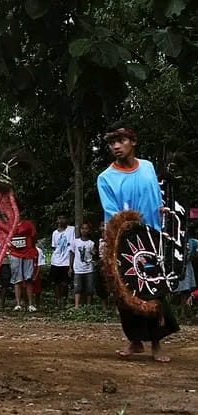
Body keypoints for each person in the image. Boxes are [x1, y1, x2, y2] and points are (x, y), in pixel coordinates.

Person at [97, 126, 179, 363]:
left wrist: (162, 209)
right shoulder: (105, 178)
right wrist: (126, 227)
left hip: (153, 237)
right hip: (123, 240)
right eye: (112, 143)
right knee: (126, 291)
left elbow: (156, 196)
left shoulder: (148, 167)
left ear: (133, 142)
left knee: (155, 288)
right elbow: (111, 211)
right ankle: (135, 341)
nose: (116, 147)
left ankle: (156, 343)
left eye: (121, 141)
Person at [9, 211, 38, 312]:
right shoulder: (9, 224)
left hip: (28, 253)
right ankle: (18, 304)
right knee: (17, 279)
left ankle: (30, 304)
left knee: (28, 278)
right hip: (15, 254)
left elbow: (34, 237)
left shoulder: (28, 224)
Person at [69, 222, 97, 308]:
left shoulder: (91, 243)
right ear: (80, 230)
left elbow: (94, 254)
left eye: (86, 228)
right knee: (77, 287)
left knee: (89, 288)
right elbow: (72, 254)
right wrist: (70, 267)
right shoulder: (75, 242)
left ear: (89, 230)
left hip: (89, 268)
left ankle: (88, 305)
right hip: (78, 268)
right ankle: (77, 305)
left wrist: (94, 254)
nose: (84, 230)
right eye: (82, 228)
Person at [50, 212, 75, 309]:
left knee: (65, 282)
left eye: (63, 218)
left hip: (66, 261)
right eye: (59, 218)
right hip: (56, 260)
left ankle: (64, 299)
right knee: (55, 282)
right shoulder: (55, 233)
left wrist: (71, 265)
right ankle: (58, 300)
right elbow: (54, 247)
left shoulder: (72, 230)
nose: (61, 220)